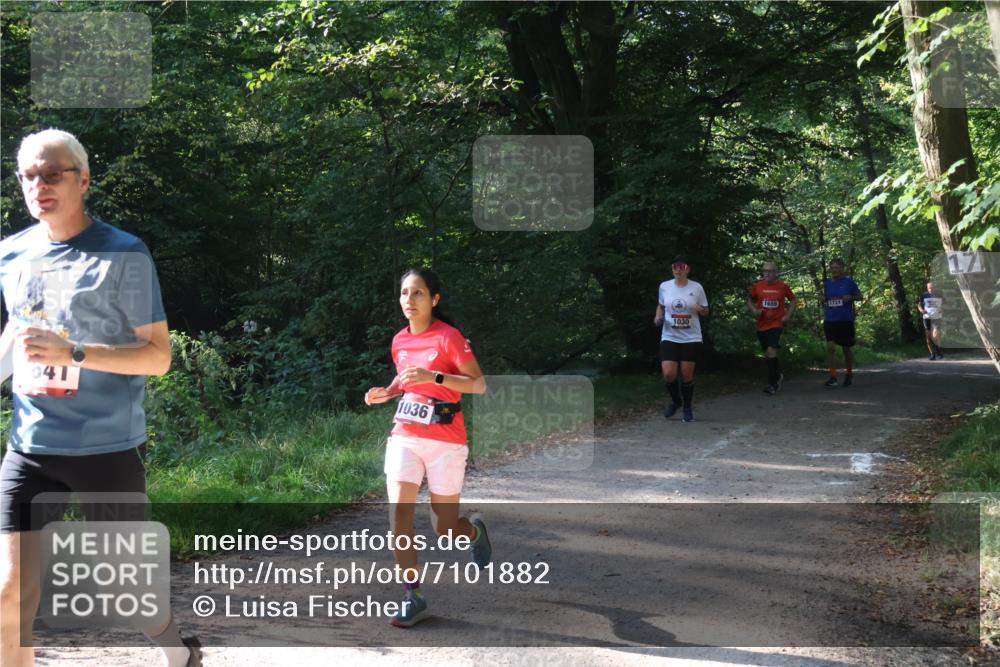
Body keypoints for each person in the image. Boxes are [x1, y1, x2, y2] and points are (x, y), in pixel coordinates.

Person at [0, 129, 201, 667]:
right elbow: (14, 337)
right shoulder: (11, 254)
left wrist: (76, 353)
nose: (38, 186)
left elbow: (157, 356)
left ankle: (179, 655)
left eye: (52, 174)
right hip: (31, 445)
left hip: (106, 447)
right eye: (28, 176)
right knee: (10, 594)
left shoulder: (124, 253)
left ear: (83, 180)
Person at [364, 268, 491, 628]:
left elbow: (478, 385)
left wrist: (434, 377)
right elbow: (404, 380)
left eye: (418, 293)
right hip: (405, 435)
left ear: (434, 299)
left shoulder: (449, 338)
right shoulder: (399, 341)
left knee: (445, 528)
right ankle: (413, 595)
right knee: (398, 518)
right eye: (405, 293)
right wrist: (385, 393)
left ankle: (474, 531)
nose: (410, 300)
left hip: (446, 442)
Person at [654, 256, 710, 422]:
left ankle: (687, 407)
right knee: (669, 374)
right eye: (675, 267)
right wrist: (658, 317)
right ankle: (676, 401)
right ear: (672, 269)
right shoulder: (664, 286)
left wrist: (699, 308)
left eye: (681, 267)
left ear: (688, 269)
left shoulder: (697, 287)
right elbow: (661, 305)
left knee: (686, 375)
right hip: (669, 335)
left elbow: (706, 311)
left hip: (691, 337)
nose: (678, 270)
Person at [747, 261, 797, 395]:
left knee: (771, 350)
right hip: (762, 324)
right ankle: (777, 375)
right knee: (767, 353)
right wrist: (755, 311)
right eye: (765, 271)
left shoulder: (782, 286)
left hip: (777, 323)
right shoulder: (757, 286)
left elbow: (793, 299)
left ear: (776, 273)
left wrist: (788, 315)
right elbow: (750, 300)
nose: (767, 273)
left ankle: (772, 384)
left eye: (770, 271)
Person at [822, 257, 864, 388]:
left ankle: (849, 374)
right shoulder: (827, 283)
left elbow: (860, 296)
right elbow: (825, 298)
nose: (834, 270)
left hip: (845, 319)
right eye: (832, 268)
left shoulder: (849, 282)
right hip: (830, 319)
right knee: (831, 347)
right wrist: (823, 299)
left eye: (837, 267)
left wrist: (850, 297)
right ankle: (833, 376)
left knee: (846, 349)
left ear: (842, 269)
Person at [917, 281, 944, 360]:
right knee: (928, 337)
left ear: (935, 288)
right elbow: (919, 305)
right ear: (927, 288)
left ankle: (938, 349)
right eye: (929, 288)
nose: (931, 289)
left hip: (936, 318)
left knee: (935, 335)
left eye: (932, 288)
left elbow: (944, 304)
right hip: (927, 318)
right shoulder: (924, 295)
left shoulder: (939, 295)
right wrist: (921, 310)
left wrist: (942, 310)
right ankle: (932, 354)